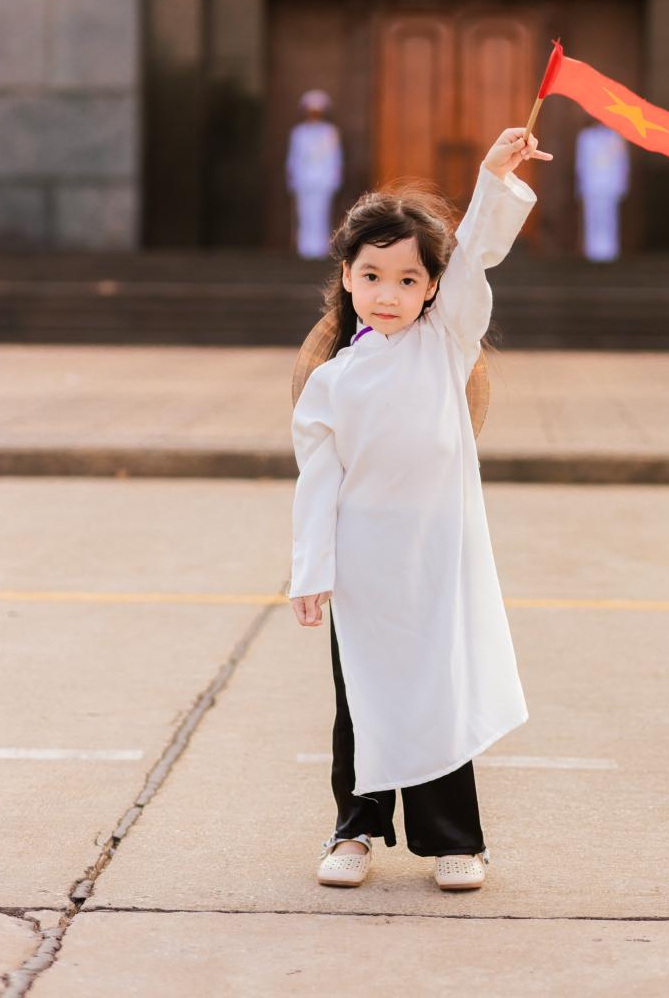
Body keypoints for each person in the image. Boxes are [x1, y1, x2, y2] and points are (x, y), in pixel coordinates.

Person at [287, 126, 554, 892]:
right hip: (364, 568)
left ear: (432, 288)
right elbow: (318, 483)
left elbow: (473, 254)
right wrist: (312, 572)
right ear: (345, 277)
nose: (389, 293)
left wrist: (490, 176)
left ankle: (455, 841)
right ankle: (355, 831)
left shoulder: (447, 345)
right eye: (372, 276)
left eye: (408, 280)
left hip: (438, 560)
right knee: (363, 697)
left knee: (438, 693)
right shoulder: (332, 383)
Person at [285, 89, 344, 258]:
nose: (314, 114)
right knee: (304, 213)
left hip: (323, 179)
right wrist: (291, 179)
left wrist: (334, 179)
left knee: (321, 213)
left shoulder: (330, 132)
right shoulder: (299, 132)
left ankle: (320, 249)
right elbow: (293, 157)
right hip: (303, 179)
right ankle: (305, 248)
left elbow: (335, 158)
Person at [574, 117, 630, 261]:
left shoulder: (617, 138)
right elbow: (581, 164)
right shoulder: (586, 137)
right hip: (591, 184)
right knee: (592, 218)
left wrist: (622, 184)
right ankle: (592, 250)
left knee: (609, 218)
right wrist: (580, 185)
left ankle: (609, 250)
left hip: (610, 185)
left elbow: (622, 164)